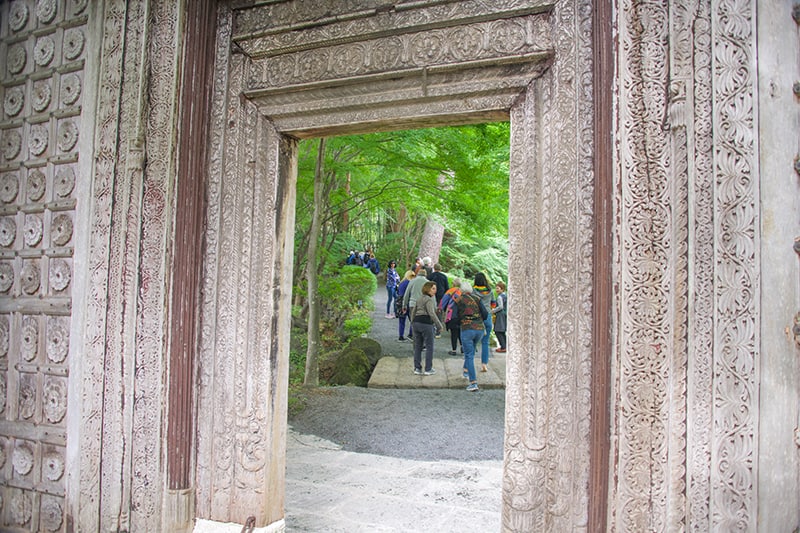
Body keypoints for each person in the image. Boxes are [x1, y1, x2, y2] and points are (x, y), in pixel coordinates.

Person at [455, 282, 487, 392]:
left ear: (461, 290)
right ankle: (465, 370)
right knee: (471, 351)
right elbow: (485, 313)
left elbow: (454, 316)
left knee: (469, 355)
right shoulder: (477, 298)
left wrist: (461, 322)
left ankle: (473, 382)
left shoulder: (458, 300)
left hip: (467, 329)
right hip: (479, 329)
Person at [411, 281, 445, 375]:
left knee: (418, 346)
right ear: (428, 289)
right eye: (433, 288)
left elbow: (413, 311)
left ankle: (417, 368)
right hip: (426, 323)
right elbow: (431, 313)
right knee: (429, 346)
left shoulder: (419, 299)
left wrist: (412, 322)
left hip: (416, 323)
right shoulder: (429, 300)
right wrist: (439, 325)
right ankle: (428, 369)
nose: (435, 291)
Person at [473, 272, 496, 372]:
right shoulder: (490, 291)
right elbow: (494, 304)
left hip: (477, 318)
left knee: (473, 341)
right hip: (487, 317)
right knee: (485, 342)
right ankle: (484, 364)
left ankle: (469, 363)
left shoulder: (473, 291)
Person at [402, 268, 430, 337]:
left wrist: (404, 305)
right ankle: (421, 340)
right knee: (422, 322)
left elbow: (407, 294)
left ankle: (415, 338)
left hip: (413, 304)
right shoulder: (428, 283)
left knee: (414, 321)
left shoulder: (412, 281)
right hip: (424, 305)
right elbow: (431, 296)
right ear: (425, 275)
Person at [438, 278, 462, 355]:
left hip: (452, 314)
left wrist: (440, 308)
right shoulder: (462, 291)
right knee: (460, 332)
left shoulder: (451, 291)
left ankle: (454, 350)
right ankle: (463, 347)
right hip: (461, 314)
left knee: (454, 332)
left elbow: (444, 301)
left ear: (453, 284)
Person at [396, 270, 415, 341]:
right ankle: (410, 334)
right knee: (412, 320)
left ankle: (401, 336)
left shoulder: (402, 283)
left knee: (401, 320)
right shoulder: (411, 283)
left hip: (400, 303)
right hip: (409, 303)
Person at [493, 281, 508, 352]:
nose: (496, 290)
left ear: (502, 289)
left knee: (498, 330)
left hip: (500, 315)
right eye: (496, 288)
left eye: (498, 288)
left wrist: (493, 310)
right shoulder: (506, 296)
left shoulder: (499, 297)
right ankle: (505, 346)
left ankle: (503, 347)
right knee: (502, 331)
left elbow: (500, 306)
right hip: (504, 314)